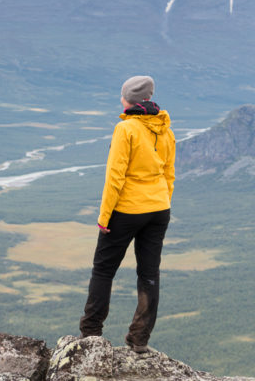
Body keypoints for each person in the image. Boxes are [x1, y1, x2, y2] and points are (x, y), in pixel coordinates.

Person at [79, 75, 176, 353]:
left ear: (128, 99)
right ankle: (139, 340)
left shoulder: (126, 129)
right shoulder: (165, 129)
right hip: (158, 210)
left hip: (126, 210)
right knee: (149, 274)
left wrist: (105, 216)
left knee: (103, 269)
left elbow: (115, 176)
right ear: (148, 98)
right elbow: (169, 173)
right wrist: (161, 202)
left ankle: (91, 333)